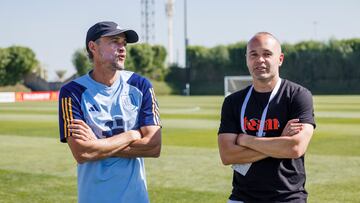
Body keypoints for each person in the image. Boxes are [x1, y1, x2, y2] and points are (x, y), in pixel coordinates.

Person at [58, 21, 161, 203]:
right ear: (93, 47)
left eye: (124, 43)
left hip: (136, 198)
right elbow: (82, 153)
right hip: (94, 198)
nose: (122, 48)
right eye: (114, 41)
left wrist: (97, 145)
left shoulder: (140, 85)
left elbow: (153, 146)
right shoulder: (72, 92)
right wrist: (132, 135)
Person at [218, 32, 316, 203]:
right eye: (253, 54)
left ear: (280, 59)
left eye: (267, 54)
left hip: (287, 197)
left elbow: (295, 148)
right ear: (247, 59)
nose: (260, 60)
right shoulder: (233, 101)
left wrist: (245, 140)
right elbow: (227, 155)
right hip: (242, 197)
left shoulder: (298, 96)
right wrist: (280, 141)